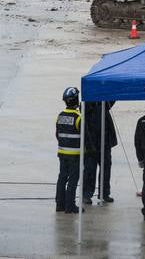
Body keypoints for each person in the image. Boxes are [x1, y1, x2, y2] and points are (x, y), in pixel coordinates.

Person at [83, 101, 117, 204]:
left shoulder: (104, 103)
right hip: (91, 142)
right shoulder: (87, 103)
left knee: (106, 167)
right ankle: (86, 194)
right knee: (90, 168)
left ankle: (104, 193)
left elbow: (112, 100)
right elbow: (83, 109)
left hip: (105, 141)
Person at [55, 86, 82, 214]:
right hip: (75, 155)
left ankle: (60, 204)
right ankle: (70, 206)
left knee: (62, 178)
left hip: (62, 153)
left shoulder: (60, 116)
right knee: (72, 180)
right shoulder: (79, 117)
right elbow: (85, 137)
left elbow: (57, 134)